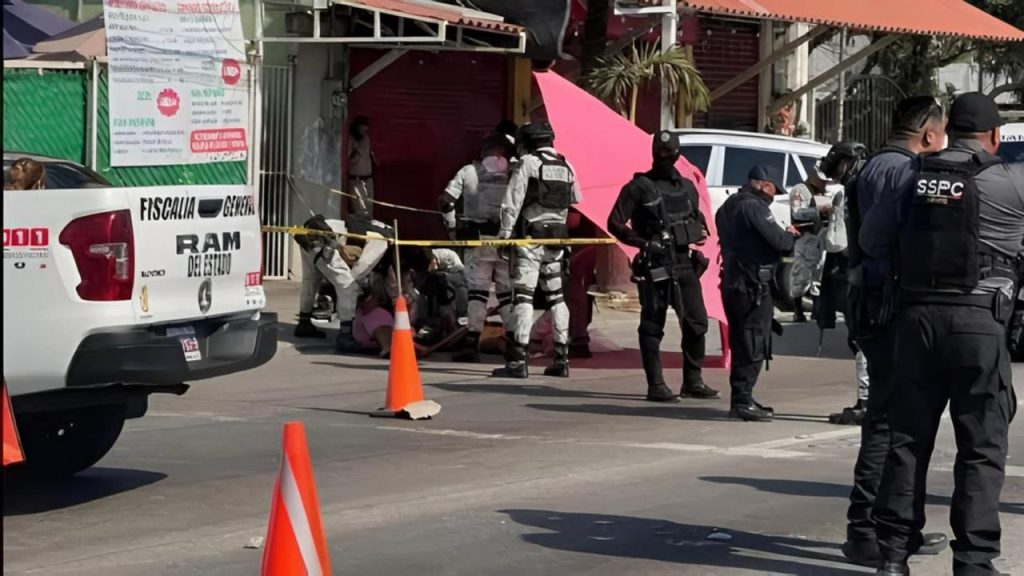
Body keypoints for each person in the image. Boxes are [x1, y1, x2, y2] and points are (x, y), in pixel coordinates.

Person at [865, 92, 1024, 576]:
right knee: (981, 447)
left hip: (916, 321)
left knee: (907, 439)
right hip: (979, 323)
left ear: (948, 131)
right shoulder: (1011, 182)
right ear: (994, 136)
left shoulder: (910, 175)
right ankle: (973, 561)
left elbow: (872, 241)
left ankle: (893, 556)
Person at [839, 97, 949, 568]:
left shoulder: (875, 166)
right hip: (887, 307)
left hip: (874, 304)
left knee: (897, 420)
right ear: (928, 134)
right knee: (888, 422)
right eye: (942, 133)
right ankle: (867, 530)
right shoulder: (903, 171)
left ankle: (897, 527)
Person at [607, 130, 718, 403]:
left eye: (669, 153)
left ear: (678, 155)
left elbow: (698, 222)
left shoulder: (687, 187)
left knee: (697, 322)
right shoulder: (639, 187)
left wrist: (696, 234)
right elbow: (615, 223)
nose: (664, 157)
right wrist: (644, 243)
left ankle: (693, 381)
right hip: (655, 264)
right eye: (660, 152)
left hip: (684, 261)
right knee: (652, 325)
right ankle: (656, 385)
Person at [493, 120, 581, 378]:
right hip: (558, 241)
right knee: (557, 297)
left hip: (530, 240)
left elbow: (512, 202)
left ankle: (518, 361)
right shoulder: (567, 165)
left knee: (523, 297)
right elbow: (575, 200)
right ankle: (562, 359)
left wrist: (504, 236)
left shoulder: (528, 164)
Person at [716, 165, 799, 421]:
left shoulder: (728, 205)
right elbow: (781, 243)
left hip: (733, 281)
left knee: (742, 340)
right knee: (753, 342)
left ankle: (742, 398)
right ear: (764, 184)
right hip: (751, 285)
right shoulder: (754, 207)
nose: (773, 196)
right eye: (774, 190)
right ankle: (742, 400)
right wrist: (790, 235)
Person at [439, 135, 515, 362]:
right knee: (507, 294)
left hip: (477, 239)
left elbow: (446, 201)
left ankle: (471, 343)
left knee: (477, 293)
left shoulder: (468, 171)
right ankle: (515, 344)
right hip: (507, 241)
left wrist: (452, 227)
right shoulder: (513, 172)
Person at [293, 215, 390, 353]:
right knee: (348, 286)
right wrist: (358, 290)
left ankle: (304, 322)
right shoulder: (383, 240)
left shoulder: (377, 226)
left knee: (311, 279)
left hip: (309, 234)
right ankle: (345, 336)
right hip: (324, 240)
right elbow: (362, 267)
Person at [788, 169, 830, 322]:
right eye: (822, 180)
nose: (824, 184)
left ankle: (816, 312)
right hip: (805, 237)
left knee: (818, 275)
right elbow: (797, 212)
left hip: (819, 237)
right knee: (802, 275)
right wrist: (819, 209)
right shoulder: (800, 190)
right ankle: (798, 311)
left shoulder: (819, 192)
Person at [347, 116, 375, 218]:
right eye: (362, 129)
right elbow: (347, 158)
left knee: (369, 206)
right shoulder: (351, 139)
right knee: (360, 209)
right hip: (357, 178)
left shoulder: (366, 138)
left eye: (365, 129)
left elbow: (369, 152)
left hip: (368, 177)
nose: (364, 131)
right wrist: (355, 157)